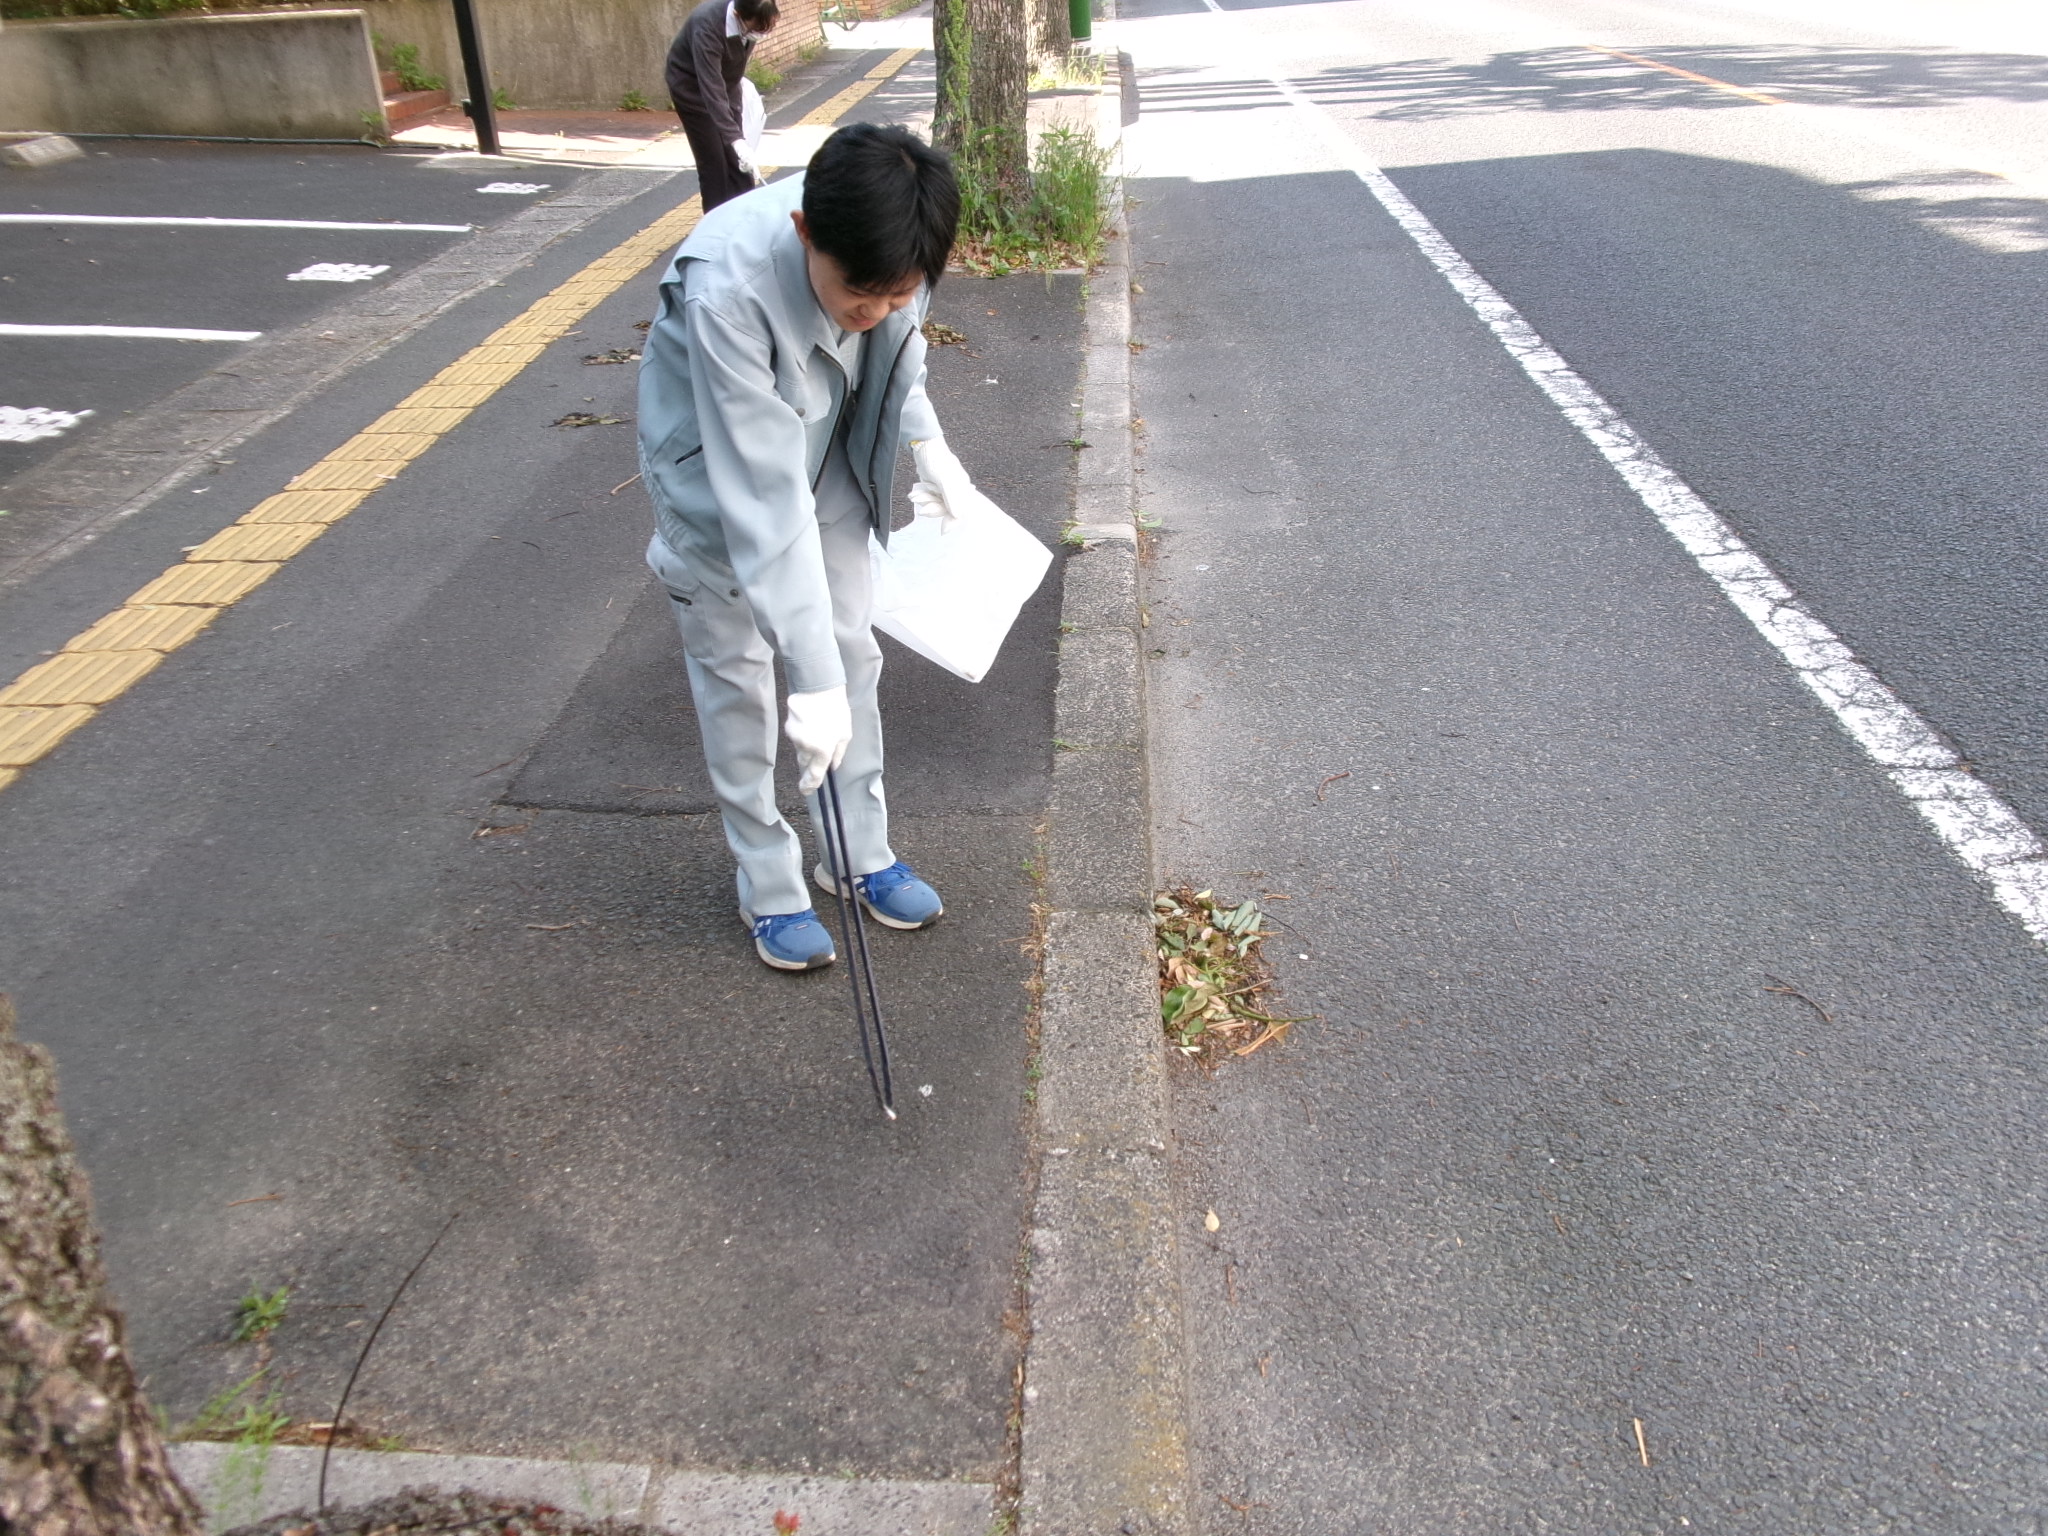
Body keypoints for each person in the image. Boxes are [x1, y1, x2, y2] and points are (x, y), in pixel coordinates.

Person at [638, 122, 995, 972]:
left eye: (899, 293)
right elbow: (762, 496)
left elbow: (896, 355)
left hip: (831, 452)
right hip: (719, 484)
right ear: (805, 234)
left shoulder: (897, 246)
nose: (875, 310)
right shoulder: (727, 288)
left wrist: (930, 444)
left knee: (851, 654)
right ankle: (769, 885)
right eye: (858, 296)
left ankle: (856, 854)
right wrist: (812, 681)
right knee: (744, 681)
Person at [665, 0, 778, 212]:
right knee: (714, 163)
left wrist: (738, 142)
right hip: (692, 89)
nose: (760, 35)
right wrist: (735, 140)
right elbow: (711, 90)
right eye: (755, 30)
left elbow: (726, 84)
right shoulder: (707, 26)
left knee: (740, 163)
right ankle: (716, 229)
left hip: (727, 83)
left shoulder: (755, 13)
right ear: (737, 15)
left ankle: (745, 217)